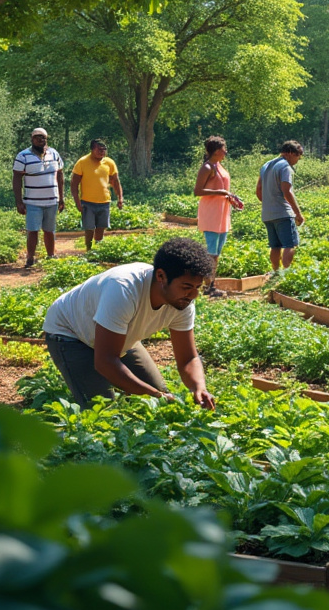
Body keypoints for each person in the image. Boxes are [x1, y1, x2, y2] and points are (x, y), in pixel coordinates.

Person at [41, 237, 216, 409]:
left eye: (197, 287)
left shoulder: (182, 301)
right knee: (104, 411)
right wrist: (154, 395)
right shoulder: (123, 288)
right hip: (71, 333)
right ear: (161, 276)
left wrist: (199, 387)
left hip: (115, 335)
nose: (193, 295)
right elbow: (105, 361)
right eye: (186, 287)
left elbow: (188, 358)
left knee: (159, 400)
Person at [194, 136, 243, 298]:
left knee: (217, 253)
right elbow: (198, 191)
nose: (225, 151)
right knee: (211, 253)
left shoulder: (219, 166)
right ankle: (208, 286)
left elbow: (223, 188)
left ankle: (211, 284)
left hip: (222, 214)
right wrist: (221, 193)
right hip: (211, 214)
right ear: (215, 151)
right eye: (223, 149)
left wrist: (230, 198)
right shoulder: (207, 168)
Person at [12, 128, 64, 269]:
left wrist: (61, 198)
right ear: (32, 139)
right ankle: (30, 258)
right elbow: (16, 179)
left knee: (49, 230)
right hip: (32, 201)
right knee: (32, 230)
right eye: (37, 137)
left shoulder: (54, 154)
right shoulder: (23, 156)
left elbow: (60, 175)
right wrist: (19, 201)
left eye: (43, 137)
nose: (41, 140)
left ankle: (51, 256)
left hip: (52, 200)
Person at [256, 141, 304, 274]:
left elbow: (259, 190)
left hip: (267, 214)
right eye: (297, 156)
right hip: (283, 213)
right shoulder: (285, 167)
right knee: (290, 244)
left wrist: (268, 204)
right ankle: (286, 274)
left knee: (275, 246)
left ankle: (276, 272)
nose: (298, 160)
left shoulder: (266, 165)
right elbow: (287, 191)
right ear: (290, 153)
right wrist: (298, 213)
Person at [70, 138, 124, 251]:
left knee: (101, 227)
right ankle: (88, 249)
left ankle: (98, 249)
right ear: (92, 149)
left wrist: (120, 198)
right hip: (87, 202)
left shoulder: (109, 162)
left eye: (104, 149)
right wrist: (77, 201)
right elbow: (74, 184)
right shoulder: (82, 162)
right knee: (89, 227)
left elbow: (115, 181)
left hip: (104, 202)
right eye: (99, 149)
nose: (102, 152)